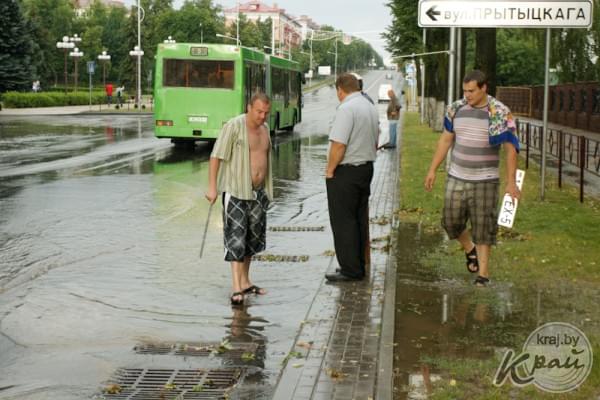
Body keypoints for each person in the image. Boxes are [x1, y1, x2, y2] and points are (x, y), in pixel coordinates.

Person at [424, 70, 520, 287]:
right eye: (464, 90)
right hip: (457, 176)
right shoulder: (455, 109)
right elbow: (445, 141)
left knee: (483, 226)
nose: (467, 95)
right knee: (450, 222)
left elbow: (510, 148)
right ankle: (470, 249)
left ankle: (483, 275)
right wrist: (432, 170)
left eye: (471, 91)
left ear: (484, 88)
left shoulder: (500, 112)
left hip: (486, 179)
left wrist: (511, 181)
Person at [205, 92, 273, 305]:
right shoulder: (234, 127)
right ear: (249, 107)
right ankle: (236, 287)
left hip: (257, 192)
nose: (262, 116)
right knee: (236, 238)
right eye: (259, 111)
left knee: (252, 239)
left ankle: (245, 281)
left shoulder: (266, 130)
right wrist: (212, 187)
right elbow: (216, 156)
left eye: (266, 112)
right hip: (235, 191)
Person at [325, 73, 379, 282]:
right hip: (365, 169)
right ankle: (357, 264)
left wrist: (330, 170)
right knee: (358, 218)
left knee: (343, 221)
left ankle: (350, 269)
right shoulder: (369, 106)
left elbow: (339, 144)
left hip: (346, 171)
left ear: (340, 89)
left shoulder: (347, 109)